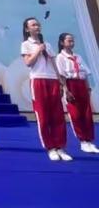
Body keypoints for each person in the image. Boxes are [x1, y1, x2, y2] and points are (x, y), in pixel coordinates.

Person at [21, 17, 73, 161]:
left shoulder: (47, 45)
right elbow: (28, 63)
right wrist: (38, 50)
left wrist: (62, 84)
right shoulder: (26, 44)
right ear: (27, 29)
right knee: (43, 116)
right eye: (33, 25)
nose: (37, 26)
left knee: (57, 116)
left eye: (38, 24)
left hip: (52, 81)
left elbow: (55, 65)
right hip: (38, 80)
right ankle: (50, 148)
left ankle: (60, 147)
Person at [56, 33, 99, 153]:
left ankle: (90, 140)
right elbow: (61, 75)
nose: (71, 43)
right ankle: (83, 141)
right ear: (62, 43)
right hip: (71, 85)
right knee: (76, 114)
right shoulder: (60, 57)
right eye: (69, 41)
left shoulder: (78, 56)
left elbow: (84, 73)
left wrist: (88, 88)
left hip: (81, 86)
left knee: (87, 113)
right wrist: (66, 90)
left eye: (72, 41)